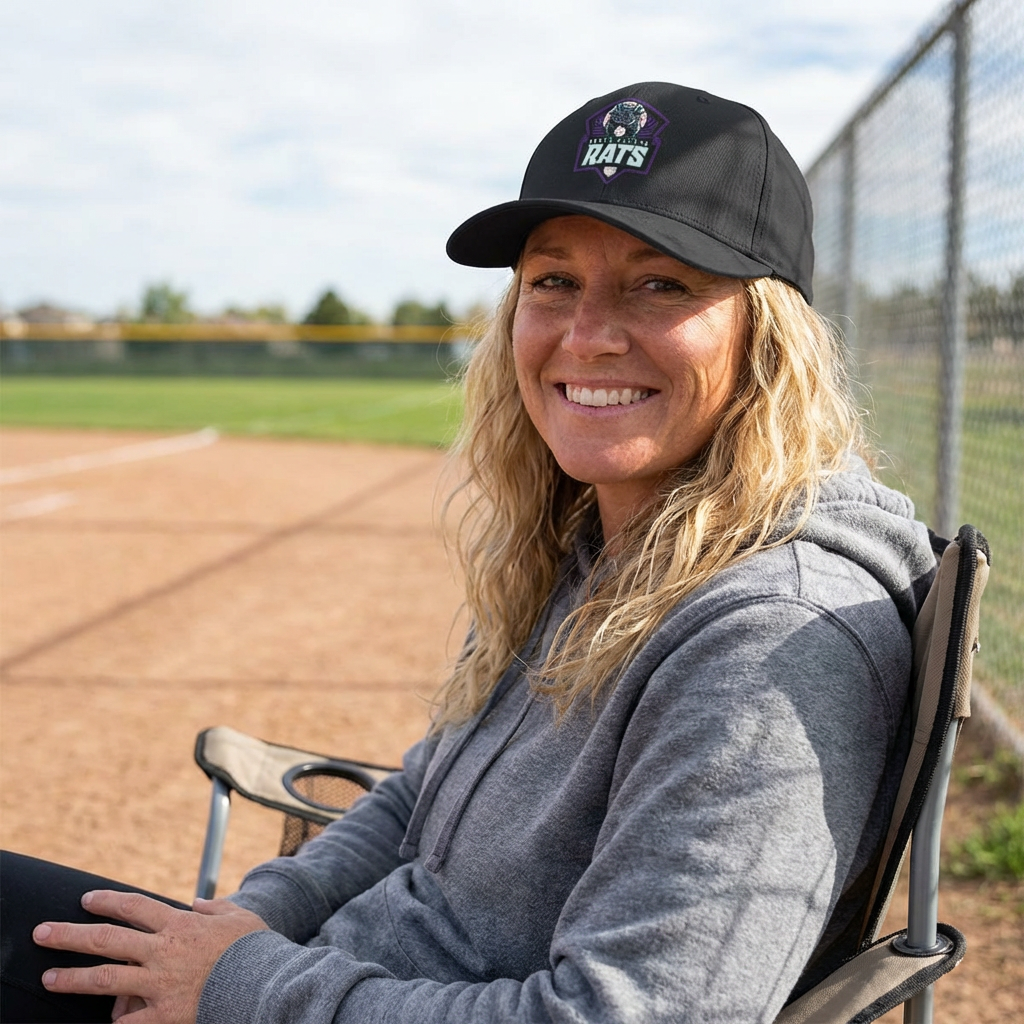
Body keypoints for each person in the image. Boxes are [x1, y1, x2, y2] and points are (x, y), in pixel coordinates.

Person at [1, 81, 937, 1024]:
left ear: (768, 335)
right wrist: (256, 919)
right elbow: (423, 794)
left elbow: (632, 1014)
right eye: (553, 281)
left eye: (661, 284)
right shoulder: (605, 548)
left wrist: (243, 985)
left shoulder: (774, 638)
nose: (587, 335)